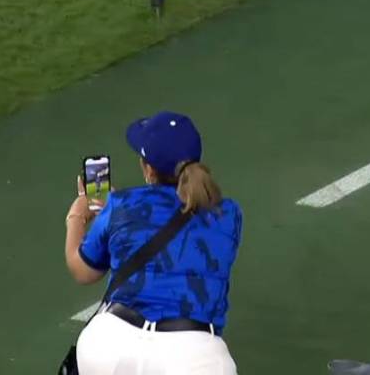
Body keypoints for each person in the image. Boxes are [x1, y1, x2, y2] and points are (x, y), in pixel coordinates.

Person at [63, 111, 242, 375]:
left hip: (109, 347)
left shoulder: (121, 206)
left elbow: (83, 271)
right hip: (194, 361)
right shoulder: (228, 214)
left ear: (148, 169)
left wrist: (77, 216)